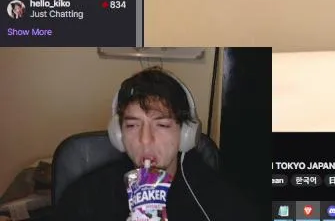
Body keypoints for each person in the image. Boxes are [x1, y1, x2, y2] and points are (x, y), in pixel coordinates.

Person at [55, 67, 257, 220]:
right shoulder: (85, 197)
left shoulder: (219, 201)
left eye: (161, 125)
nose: (145, 139)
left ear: (186, 133)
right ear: (118, 134)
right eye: (132, 125)